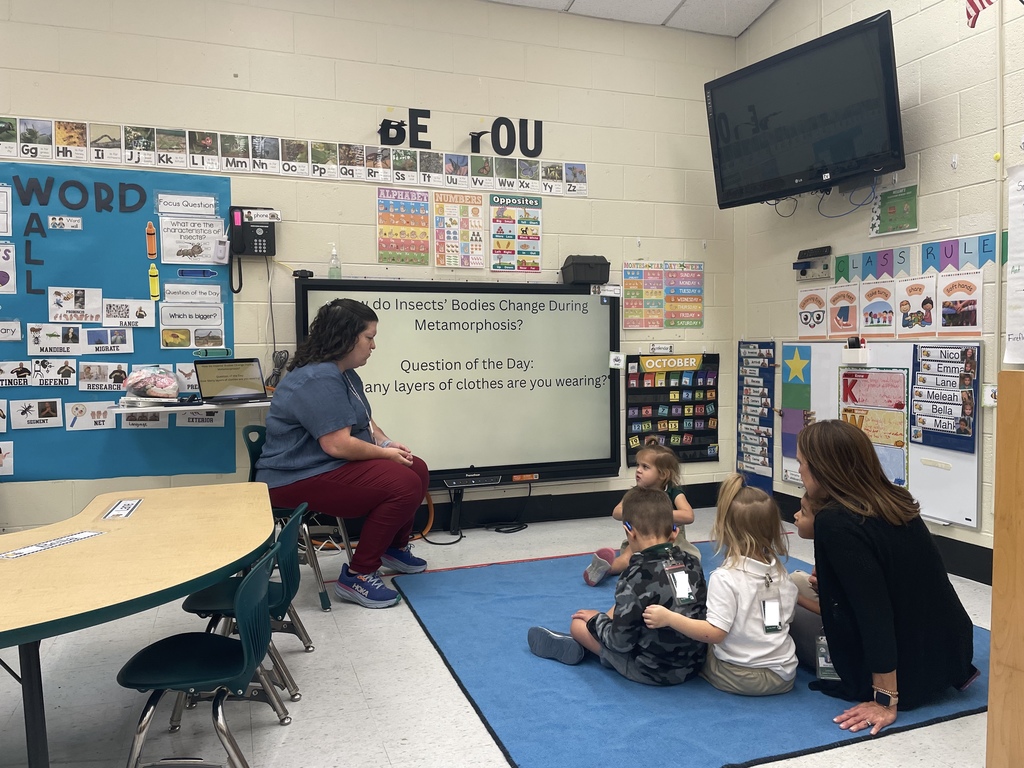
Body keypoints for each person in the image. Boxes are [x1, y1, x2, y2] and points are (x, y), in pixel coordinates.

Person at [796, 420, 977, 735]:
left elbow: (874, 613)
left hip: (907, 672)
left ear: (821, 470)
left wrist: (884, 698)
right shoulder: (895, 499)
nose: (799, 472)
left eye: (802, 465)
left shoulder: (836, 521)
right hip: (951, 652)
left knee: (784, 601)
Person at [255, 298, 430, 609]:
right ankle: (359, 575)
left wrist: (386, 444)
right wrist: (385, 456)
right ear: (347, 337)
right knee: (403, 484)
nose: (373, 345)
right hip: (293, 476)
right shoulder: (318, 378)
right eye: (369, 337)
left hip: (323, 466)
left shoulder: (344, 373)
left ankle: (393, 548)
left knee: (416, 469)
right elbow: (337, 445)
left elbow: (362, 419)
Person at [527, 487, 707, 686]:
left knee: (579, 624)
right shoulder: (692, 562)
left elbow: (619, 643)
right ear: (674, 532)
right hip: (693, 664)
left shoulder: (634, 575)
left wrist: (595, 621)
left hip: (652, 670)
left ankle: (581, 644)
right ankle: (589, 637)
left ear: (629, 531)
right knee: (628, 605)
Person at [643, 474, 798, 696]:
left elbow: (715, 634)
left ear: (725, 529)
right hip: (784, 674)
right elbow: (782, 622)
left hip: (744, 676)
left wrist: (669, 618)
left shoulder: (726, 577)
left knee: (692, 650)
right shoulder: (782, 575)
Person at [583, 436, 696, 586]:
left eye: (645, 467)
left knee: (685, 560)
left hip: (670, 540)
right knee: (629, 556)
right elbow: (617, 512)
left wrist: (658, 514)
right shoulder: (637, 492)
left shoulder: (673, 492)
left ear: (662, 474)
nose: (638, 471)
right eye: (638, 466)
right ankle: (606, 569)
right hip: (643, 538)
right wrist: (639, 514)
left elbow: (689, 515)